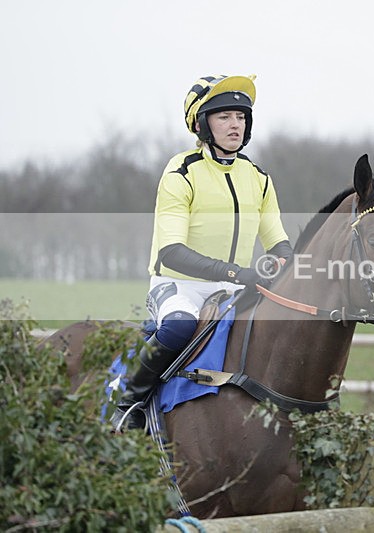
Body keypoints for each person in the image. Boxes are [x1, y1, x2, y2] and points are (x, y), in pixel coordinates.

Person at [110, 74, 293, 430]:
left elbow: (278, 240)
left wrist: (285, 259)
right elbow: (172, 252)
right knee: (180, 327)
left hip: (235, 288)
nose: (235, 125)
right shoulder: (181, 171)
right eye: (224, 116)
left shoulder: (259, 177)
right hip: (179, 286)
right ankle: (130, 402)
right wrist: (236, 272)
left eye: (241, 117)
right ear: (201, 124)